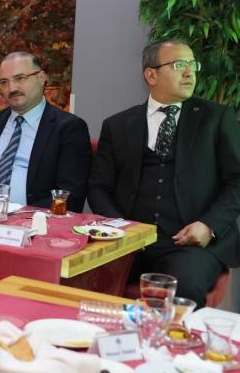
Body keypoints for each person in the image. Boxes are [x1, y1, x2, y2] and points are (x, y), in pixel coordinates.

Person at [88, 39, 240, 307]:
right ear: (151, 75)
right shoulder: (118, 125)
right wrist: (121, 228)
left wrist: (209, 225)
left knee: (182, 288)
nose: (190, 72)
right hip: (129, 243)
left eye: (193, 65)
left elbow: (237, 180)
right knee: (79, 277)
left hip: (190, 245)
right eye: (179, 64)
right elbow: (98, 187)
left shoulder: (216, 118)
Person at [0, 51, 92, 212]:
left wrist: (18, 215)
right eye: (4, 82)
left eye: (20, 78)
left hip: (32, 220)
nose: (12, 88)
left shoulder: (68, 128)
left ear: (41, 78)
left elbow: (70, 195)